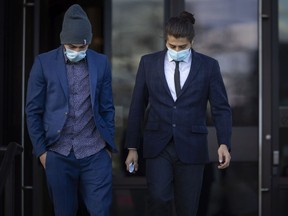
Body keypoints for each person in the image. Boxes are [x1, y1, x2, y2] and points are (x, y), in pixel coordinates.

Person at [124, 11, 232, 216]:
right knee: (158, 199)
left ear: (192, 41)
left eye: (182, 47)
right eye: (172, 46)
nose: (176, 50)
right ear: (166, 40)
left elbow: (221, 108)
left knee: (188, 208)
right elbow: (137, 106)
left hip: (192, 146)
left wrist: (224, 142)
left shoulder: (209, 66)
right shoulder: (148, 63)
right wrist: (132, 147)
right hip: (158, 144)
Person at [26, 4, 116, 216]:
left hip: (95, 152)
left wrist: (107, 147)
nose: (77, 51)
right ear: (63, 41)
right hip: (58, 153)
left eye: (81, 47)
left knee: (101, 212)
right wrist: (42, 152)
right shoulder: (43, 63)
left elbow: (107, 107)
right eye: (72, 47)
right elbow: (33, 110)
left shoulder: (101, 63)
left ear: (89, 42)